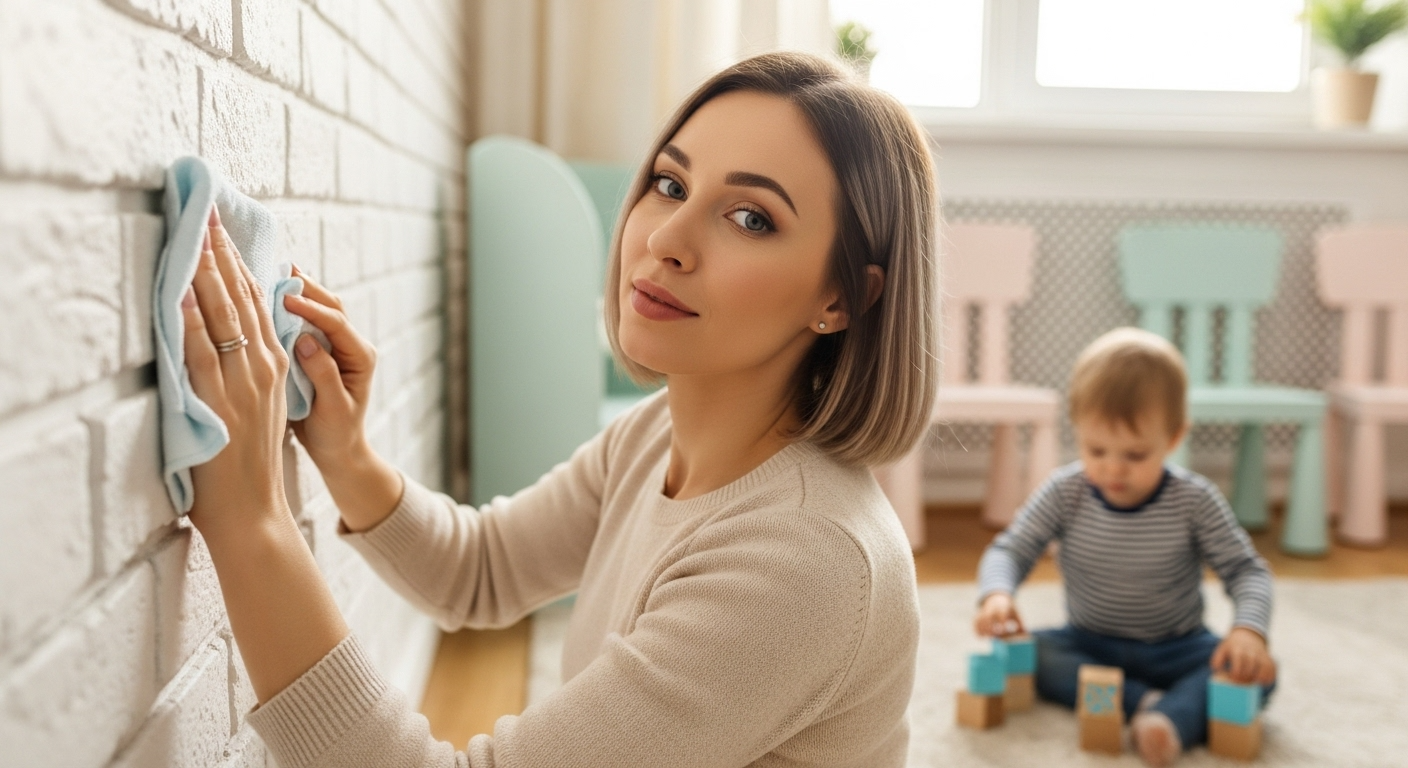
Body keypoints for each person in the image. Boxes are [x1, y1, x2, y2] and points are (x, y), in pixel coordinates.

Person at [179, 52, 939, 768]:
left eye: (751, 219)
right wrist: (344, 454)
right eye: (671, 186)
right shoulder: (656, 433)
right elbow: (480, 571)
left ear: (842, 298)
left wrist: (250, 517)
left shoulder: (805, 562)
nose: (667, 239)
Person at [973, 327, 1277, 767]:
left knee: (1257, 675)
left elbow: (1247, 571)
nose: (1113, 468)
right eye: (1096, 450)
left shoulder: (1195, 499)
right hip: (1087, 642)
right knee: (1029, 652)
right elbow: (1010, 550)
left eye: (1135, 455)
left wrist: (1249, 632)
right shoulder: (1065, 491)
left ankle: (1169, 718)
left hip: (1177, 645)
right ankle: (1149, 704)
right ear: (1077, 431)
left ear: (1173, 438)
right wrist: (997, 594)